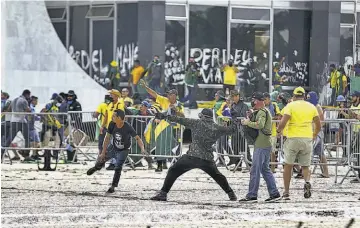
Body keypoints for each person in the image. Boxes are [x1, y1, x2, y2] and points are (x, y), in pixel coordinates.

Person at [150, 108, 238, 201]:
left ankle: (163, 193)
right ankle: (231, 194)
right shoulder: (217, 127)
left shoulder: (196, 123)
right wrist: (234, 118)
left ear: (201, 116)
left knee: (173, 170)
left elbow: (178, 119)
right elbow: (232, 130)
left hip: (192, 157)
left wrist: (163, 116)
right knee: (218, 176)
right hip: (207, 159)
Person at [87, 109, 147, 194]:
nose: (112, 117)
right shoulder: (112, 124)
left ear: (119, 118)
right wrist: (103, 152)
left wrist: (142, 149)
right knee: (101, 159)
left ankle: (113, 186)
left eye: (114, 116)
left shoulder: (127, 127)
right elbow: (107, 138)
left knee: (118, 167)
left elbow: (137, 138)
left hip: (124, 150)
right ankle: (96, 168)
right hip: (113, 147)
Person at [277, 87, 321, 200]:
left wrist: (279, 130)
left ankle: (286, 191)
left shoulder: (290, 106)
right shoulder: (311, 107)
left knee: (288, 165)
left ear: (294, 96)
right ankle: (307, 181)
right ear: (304, 96)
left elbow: (284, 120)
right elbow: (318, 123)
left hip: (293, 138)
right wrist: (314, 134)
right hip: (307, 137)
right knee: (305, 166)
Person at [239, 92, 280, 202]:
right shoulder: (263, 111)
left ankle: (252, 195)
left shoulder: (262, 112)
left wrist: (248, 123)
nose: (253, 102)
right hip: (264, 143)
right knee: (265, 169)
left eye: (254, 100)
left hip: (261, 144)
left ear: (260, 101)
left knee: (255, 170)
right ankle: (274, 193)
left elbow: (260, 125)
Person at [3, 89, 33, 161]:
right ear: (27, 95)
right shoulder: (24, 101)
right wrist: (28, 105)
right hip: (22, 121)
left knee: (9, 139)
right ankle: (26, 155)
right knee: (27, 138)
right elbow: (28, 111)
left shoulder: (14, 100)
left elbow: (9, 109)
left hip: (13, 121)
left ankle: (1, 153)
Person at [100, 89, 125, 170]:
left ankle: (114, 163)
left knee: (113, 146)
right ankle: (113, 162)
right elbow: (106, 116)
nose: (110, 96)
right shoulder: (109, 104)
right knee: (111, 146)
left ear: (116, 96)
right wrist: (102, 126)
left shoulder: (119, 104)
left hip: (116, 127)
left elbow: (121, 115)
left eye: (112, 95)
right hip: (109, 128)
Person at [307, 91, 329, 178]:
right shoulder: (311, 106)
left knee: (310, 151)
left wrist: (315, 129)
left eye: (309, 97)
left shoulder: (317, 107)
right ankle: (325, 172)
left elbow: (322, 121)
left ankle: (306, 172)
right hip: (314, 132)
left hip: (317, 132)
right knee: (321, 154)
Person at [228, 90, 251, 170]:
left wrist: (233, 113)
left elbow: (243, 116)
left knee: (244, 147)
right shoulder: (232, 105)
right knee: (235, 147)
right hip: (234, 130)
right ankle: (238, 165)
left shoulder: (244, 105)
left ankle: (249, 164)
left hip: (242, 130)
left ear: (238, 96)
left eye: (234, 96)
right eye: (232, 97)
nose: (233, 98)